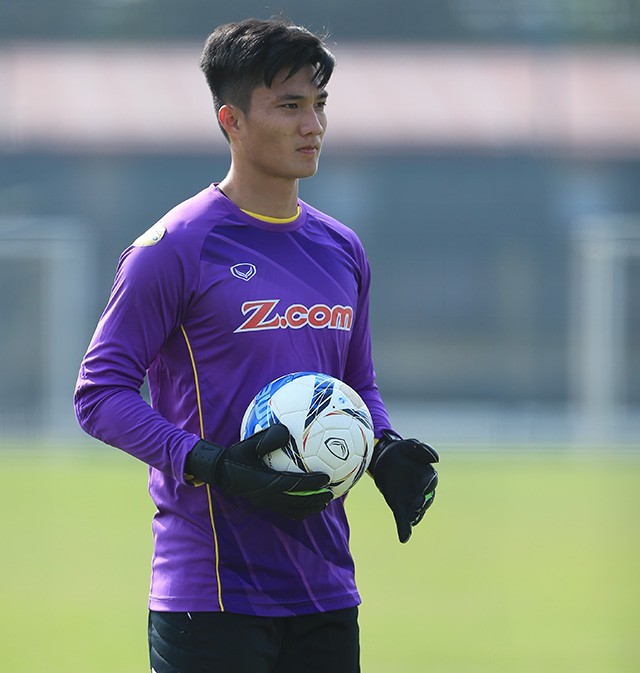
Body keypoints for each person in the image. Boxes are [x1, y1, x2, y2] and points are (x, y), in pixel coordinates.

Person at [74, 17, 439, 673]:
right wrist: (212, 463)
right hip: (211, 595)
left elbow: (357, 384)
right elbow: (98, 395)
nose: (313, 125)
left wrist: (382, 448)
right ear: (232, 120)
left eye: (320, 104)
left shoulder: (342, 249)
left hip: (327, 590)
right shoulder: (173, 249)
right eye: (290, 106)